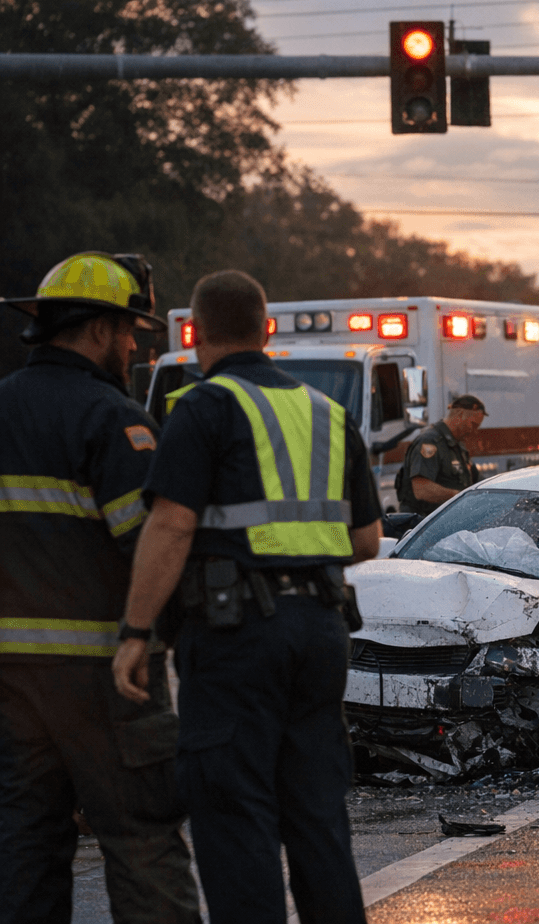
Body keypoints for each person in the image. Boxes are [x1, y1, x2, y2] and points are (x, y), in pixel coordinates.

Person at [110, 269, 383, 923]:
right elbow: (368, 538)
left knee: (236, 820)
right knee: (317, 817)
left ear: (196, 333)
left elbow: (172, 524)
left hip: (235, 640)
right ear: (266, 330)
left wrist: (137, 632)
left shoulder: (202, 408)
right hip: (320, 632)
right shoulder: (326, 412)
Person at [0, 252, 199, 923]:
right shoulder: (112, 420)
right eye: (129, 331)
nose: (134, 344)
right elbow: (153, 546)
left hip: (11, 681)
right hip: (110, 678)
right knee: (143, 842)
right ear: (95, 331)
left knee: (24, 847)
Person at [395, 394, 485, 514]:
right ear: (459, 416)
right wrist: (459, 497)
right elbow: (421, 489)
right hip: (422, 523)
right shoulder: (430, 442)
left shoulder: (458, 446)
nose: (474, 431)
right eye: (473, 425)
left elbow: (476, 480)